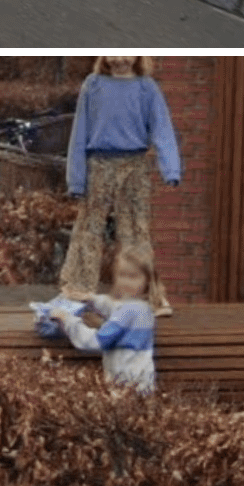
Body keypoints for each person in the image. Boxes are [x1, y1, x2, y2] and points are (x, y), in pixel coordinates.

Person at [63, 55, 179, 316]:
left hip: (135, 165)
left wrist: (170, 167)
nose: (120, 57)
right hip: (99, 164)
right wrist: (76, 178)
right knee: (89, 226)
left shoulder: (146, 87)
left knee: (136, 230)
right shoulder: (93, 85)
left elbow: (162, 127)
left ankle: (149, 297)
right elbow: (79, 133)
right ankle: (78, 291)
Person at [50, 248, 160, 394]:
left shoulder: (128, 312)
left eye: (133, 277)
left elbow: (94, 341)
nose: (126, 281)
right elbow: (116, 308)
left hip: (126, 388)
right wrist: (91, 300)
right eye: (122, 275)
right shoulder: (144, 308)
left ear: (147, 281)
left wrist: (67, 320)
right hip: (143, 385)